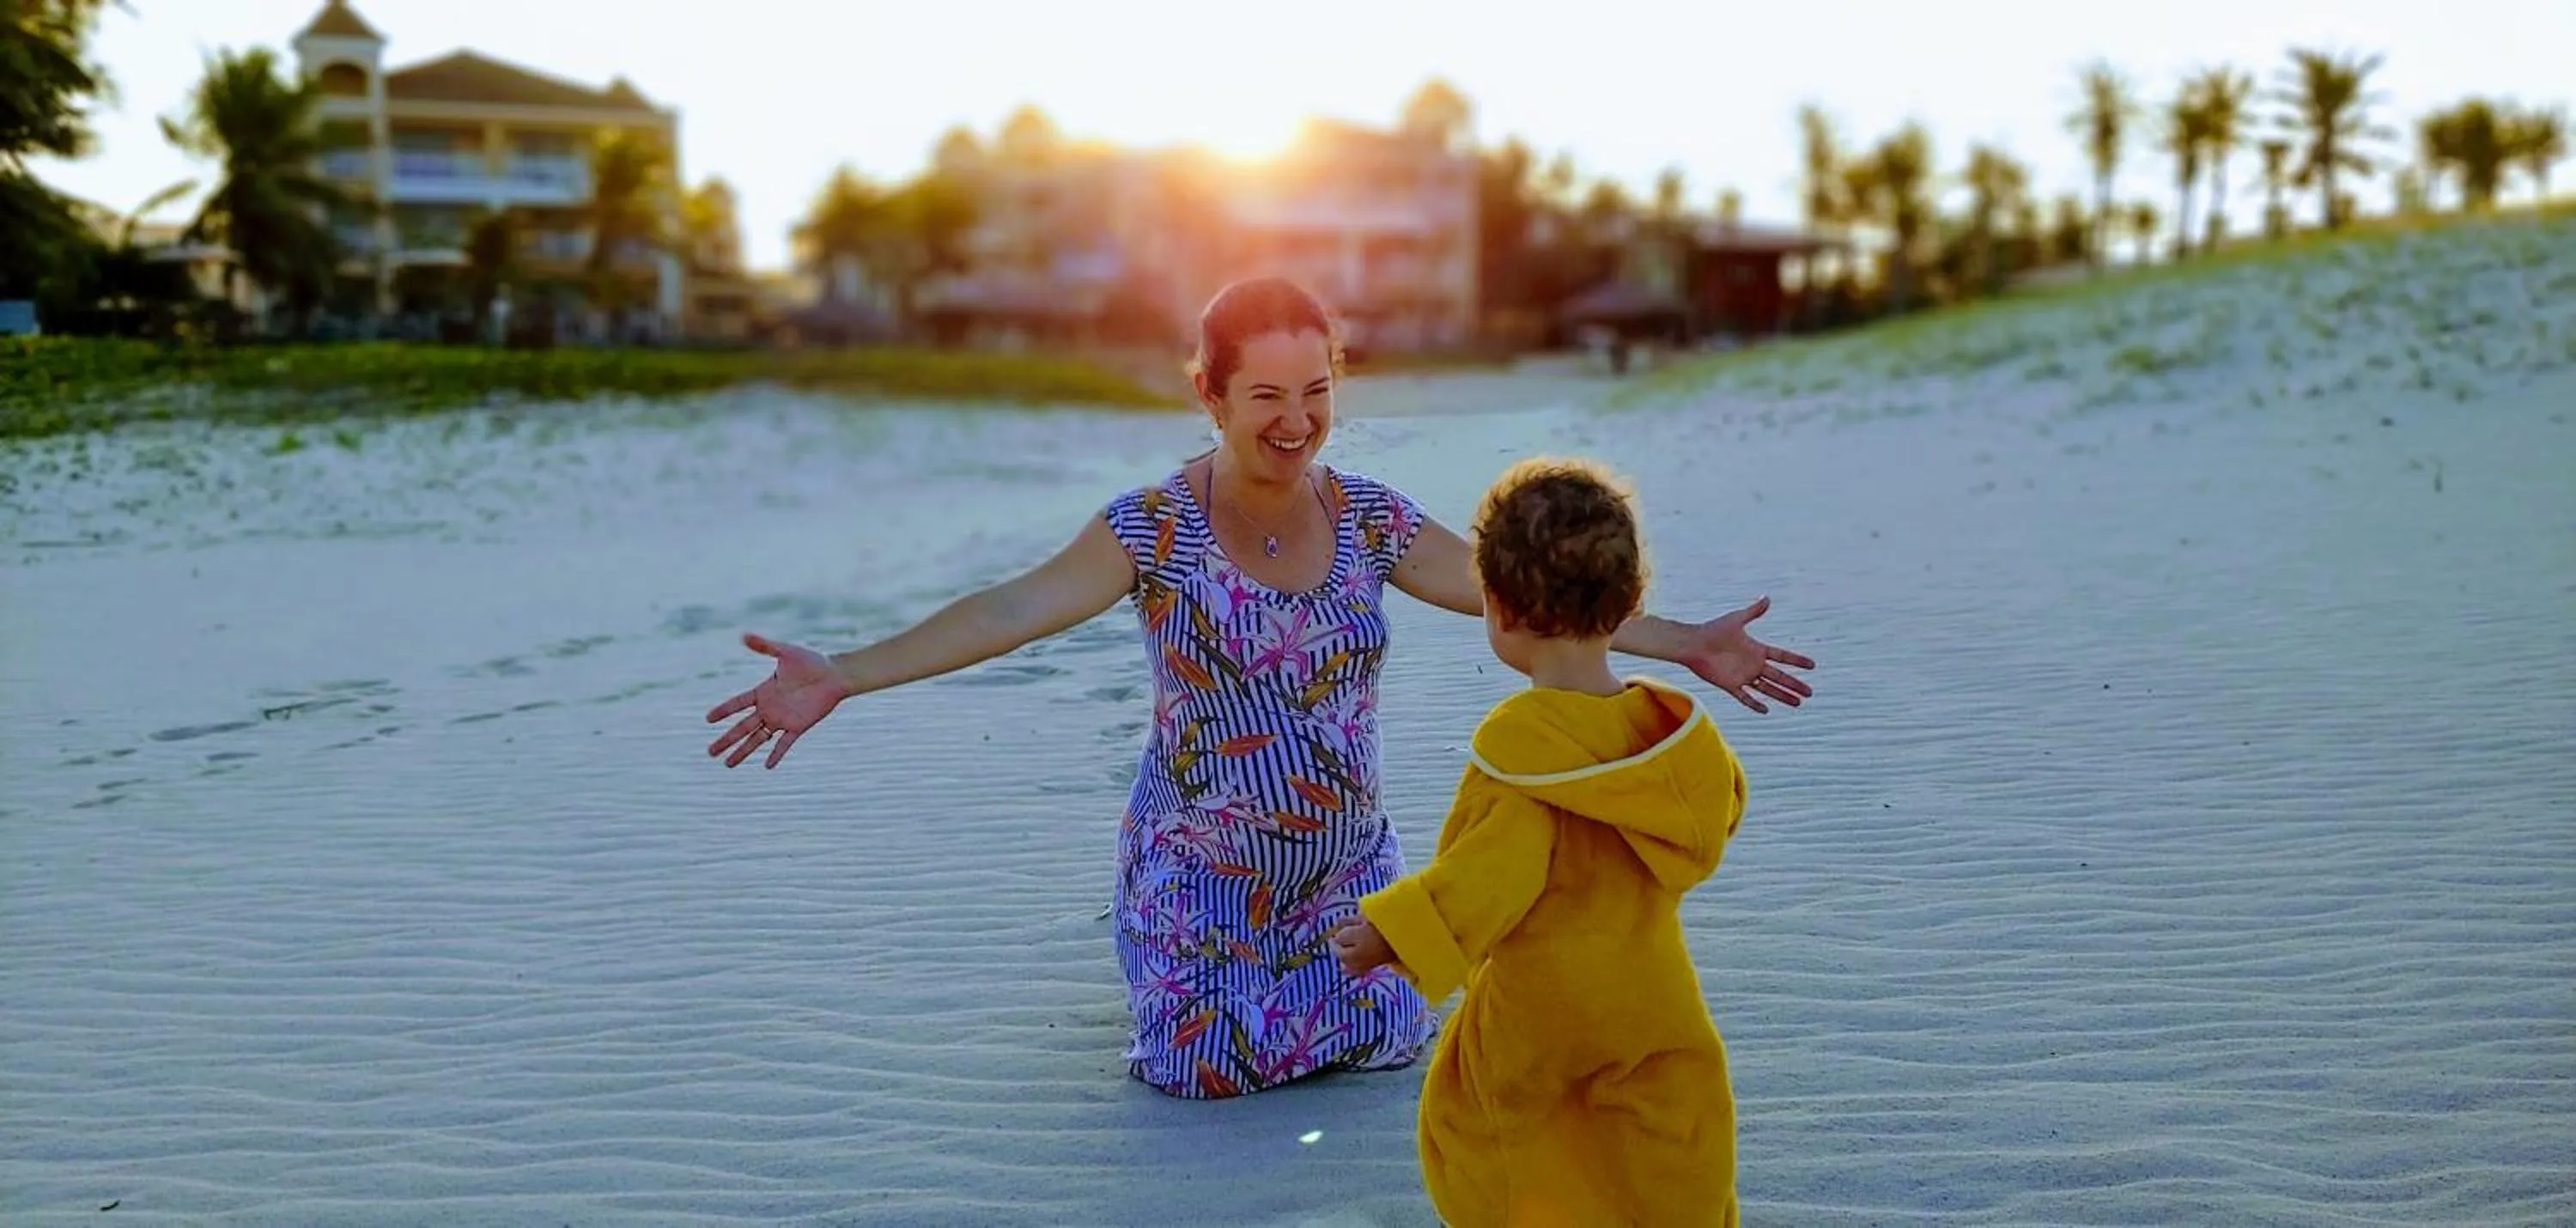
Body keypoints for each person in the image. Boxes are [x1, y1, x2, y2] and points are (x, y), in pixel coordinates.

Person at [703, 277, 1814, 1101]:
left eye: (1319, 391)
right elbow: (1010, 608)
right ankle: (1184, 971)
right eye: (1267, 395)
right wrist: (845, 674)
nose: (1296, 420)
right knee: (1197, 1065)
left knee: (1390, 1030)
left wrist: (1680, 642)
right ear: (1209, 393)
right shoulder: (1151, 527)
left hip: (1345, 880)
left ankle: (1320, 988)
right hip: (1204, 885)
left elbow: (1526, 598)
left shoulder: (1369, 516)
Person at [1331, 457, 1747, 1226]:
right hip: (1655, 1002)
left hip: (1545, 1013)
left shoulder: (1523, 746)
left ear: (1501, 610)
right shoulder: (1671, 738)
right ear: (1628, 601)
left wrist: (1394, 934)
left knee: (1516, 1152)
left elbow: (1493, 873)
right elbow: (1716, 816)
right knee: (1664, 1155)